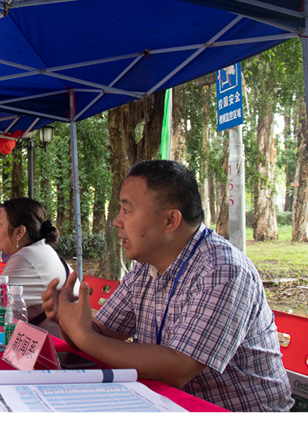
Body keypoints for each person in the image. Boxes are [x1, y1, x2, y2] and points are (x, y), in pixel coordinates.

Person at [41, 160, 293, 413]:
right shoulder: (144, 267)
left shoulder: (222, 270)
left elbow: (178, 368)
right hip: (163, 402)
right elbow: (102, 335)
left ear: (170, 220)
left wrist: (84, 335)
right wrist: (68, 321)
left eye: (127, 210)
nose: (117, 221)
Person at [0, 198, 75, 337]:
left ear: (19, 231)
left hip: (55, 350)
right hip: (63, 341)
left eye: (0, 223)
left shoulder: (26, 257)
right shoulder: (41, 249)